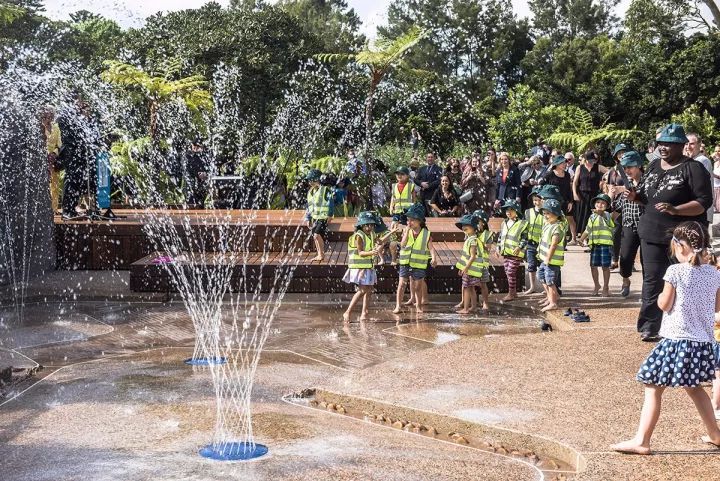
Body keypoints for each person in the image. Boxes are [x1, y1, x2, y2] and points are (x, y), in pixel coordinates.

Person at [611, 222, 720, 455]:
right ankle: (716, 435)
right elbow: (717, 305)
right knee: (695, 388)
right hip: (702, 342)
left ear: (679, 246)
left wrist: (662, 295)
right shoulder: (713, 273)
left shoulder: (675, 272)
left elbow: (664, 304)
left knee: (652, 386)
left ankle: (642, 440)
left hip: (676, 340)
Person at [626, 124, 713, 342]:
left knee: (688, 280)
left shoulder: (693, 168)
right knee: (653, 280)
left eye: (669, 144)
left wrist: (677, 210)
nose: (663, 147)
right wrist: (635, 196)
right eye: (661, 143)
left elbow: (704, 202)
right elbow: (648, 197)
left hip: (682, 238)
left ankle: (691, 326)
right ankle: (650, 326)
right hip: (651, 232)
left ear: (682, 146)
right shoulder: (654, 165)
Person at [343, 211, 397, 321]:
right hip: (359, 267)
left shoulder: (372, 233)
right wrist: (372, 253)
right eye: (367, 225)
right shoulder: (359, 235)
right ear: (361, 225)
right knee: (362, 290)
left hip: (368, 265)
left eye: (371, 225)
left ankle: (365, 313)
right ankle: (347, 312)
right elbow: (360, 252)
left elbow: (380, 241)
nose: (369, 227)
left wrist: (391, 233)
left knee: (369, 289)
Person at [57, 92, 100, 219]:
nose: (81, 104)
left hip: (81, 152)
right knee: (71, 180)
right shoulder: (64, 115)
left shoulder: (77, 115)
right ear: (73, 101)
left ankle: (73, 208)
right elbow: (68, 135)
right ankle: (67, 210)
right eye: (79, 101)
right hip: (71, 152)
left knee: (78, 180)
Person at [612, 152, 645, 298]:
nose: (627, 171)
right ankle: (626, 281)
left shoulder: (648, 183)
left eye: (630, 167)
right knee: (624, 259)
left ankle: (647, 289)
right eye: (625, 168)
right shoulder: (626, 184)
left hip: (645, 226)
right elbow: (618, 206)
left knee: (647, 261)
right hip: (628, 225)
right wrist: (612, 197)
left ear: (638, 166)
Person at [393, 203, 437, 313]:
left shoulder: (426, 234)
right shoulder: (406, 231)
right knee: (402, 284)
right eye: (408, 220)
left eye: (412, 220)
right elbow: (402, 245)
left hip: (419, 264)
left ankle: (418, 306)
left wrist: (434, 258)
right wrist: (407, 232)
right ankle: (398, 305)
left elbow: (431, 247)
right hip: (405, 262)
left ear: (420, 221)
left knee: (418, 286)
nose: (409, 222)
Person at [579, 194, 615, 297]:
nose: (600, 205)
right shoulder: (592, 216)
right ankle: (596, 285)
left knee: (605, 267)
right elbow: (588, 229)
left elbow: (607, 219)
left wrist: (600, 213)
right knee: (593, 266)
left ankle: (606, 287)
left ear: (607, 206)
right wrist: (582, 239)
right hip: (595, 245)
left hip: (606, 245)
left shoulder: (607, 215)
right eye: (598, 202)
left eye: (603, 203)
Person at [454, 214, 490, 314]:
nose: (463, 227)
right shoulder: (470, 238)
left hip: (470, 269)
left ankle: (466, 308)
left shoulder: (473, 240)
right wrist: (462, 267)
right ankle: (473, 307)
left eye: (467, 225)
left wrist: (465, 268)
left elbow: (473, 256)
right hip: (469, 268)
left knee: (467, 287)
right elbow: (466, 256)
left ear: (473, 227)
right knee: (470, 288)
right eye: (463, 225)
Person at [540, 155, 577, 244]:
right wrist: (543, 198)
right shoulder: (549, 174)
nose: (565, 164)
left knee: (565, 221)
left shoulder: (567, 175)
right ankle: (549, 240)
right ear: (557, 164)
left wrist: (571, 201)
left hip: (564, 201)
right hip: (551, 203)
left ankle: (568, 241)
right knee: (551, 221)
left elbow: (569, 189)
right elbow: (541, 186)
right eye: (563, 163)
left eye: (565, 162)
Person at [537, 198, 565, 312]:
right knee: (542, 277)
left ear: (557, 214)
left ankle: (553, 302)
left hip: (551, 261)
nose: (545, 216)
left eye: (548, 213)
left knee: (550, 281)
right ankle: (550, 298)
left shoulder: (557, 227)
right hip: (545, 259)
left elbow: (553, 244)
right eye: (544, 213)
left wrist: (548, 258)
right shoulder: (548, 224)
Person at [497, 199, 527, 302]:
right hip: (506, 252)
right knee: (508, 272)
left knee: (510, 272)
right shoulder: (504, 222)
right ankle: (514, 292)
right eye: (506, 210)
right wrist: (498, 248)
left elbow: (525, 238)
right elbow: (501, 237)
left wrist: (520, 247)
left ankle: (511, 293)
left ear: (517, 211)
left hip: (516, 253)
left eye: (511, 210)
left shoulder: (522, 223)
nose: (508, 212)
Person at [606, 143, 629, 270]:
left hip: (630, 204)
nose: (622, 155)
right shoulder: (613, 171)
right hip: (616, 206)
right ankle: (615, 259)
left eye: (624, 152)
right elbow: (611, 188)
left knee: (627, 234)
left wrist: (621, 188)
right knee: (615, 233)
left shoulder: (633, 168)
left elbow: (637, 186)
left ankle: (626, 260)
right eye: (619, 153)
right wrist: (607, 204)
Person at [573, 150, 608, 235]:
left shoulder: (598, 167)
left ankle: (591, 234)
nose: (592, 162)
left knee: (592, 214)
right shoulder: (580, 167)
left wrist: (604, 181)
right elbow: (575, 182)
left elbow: (609, 172)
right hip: (583, 194)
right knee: (583, 215)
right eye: (590, 160)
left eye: (594, 160)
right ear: (586, 159)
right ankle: (583, 235)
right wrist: (575, 194)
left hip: (594, 195)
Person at [305, 169, 334, 262]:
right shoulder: (311, 192)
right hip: (315, 218)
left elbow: (331, 202)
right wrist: (308, 218)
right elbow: (309, 206)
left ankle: (321, 254)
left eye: (311, 180)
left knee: (317, 235)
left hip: (323, 217)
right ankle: (319, 254)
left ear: (317, 179)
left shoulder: (325, 190)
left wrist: (330, 214)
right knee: (315, 236)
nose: (309, 182)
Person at [686, 132, 714, 227]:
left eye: (692, 143)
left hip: (700, 210)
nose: (688, 147)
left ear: (699, 144)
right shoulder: (691, 160)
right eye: (686, 143)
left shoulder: (702, 160)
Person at [389, 167, 415, 264]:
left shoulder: (410, 186)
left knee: (406, 230)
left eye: (402, 174)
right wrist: (391, 206)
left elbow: (414, 200)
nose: (399, 176)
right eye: (398, 174)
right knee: (393, 228)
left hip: (407, 212)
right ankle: (393, 257)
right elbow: (393, 197)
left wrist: (414, 210)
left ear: (407, 176)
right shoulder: (394, 186)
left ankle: (403, 253)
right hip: (397, 211)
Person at [40, 106, 62, 212]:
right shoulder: (38, 126)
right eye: (47, 113)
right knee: (43, 184)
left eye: (51, 113)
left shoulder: (56, 127)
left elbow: (60, 144)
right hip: (40, 159)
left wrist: (54, 153)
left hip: (54, 159)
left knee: (54, 184)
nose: (49, 115)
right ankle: (42, 207)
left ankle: (54, 208)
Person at [185, 138, 212, 206]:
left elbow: (204, 175)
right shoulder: (189, 155)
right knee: (192, 191)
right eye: (194, 146)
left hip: (200, 173)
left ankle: (200, 202)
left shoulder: (202, 155)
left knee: (202, 188)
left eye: (198, 146)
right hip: (192, 175)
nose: (195, 148)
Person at [712, 146, 720, 212]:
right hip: (714, 187)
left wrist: (714, 175)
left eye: (719, 151)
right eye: (716, 151)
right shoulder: (715, 163)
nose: (717, 153)